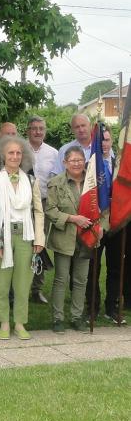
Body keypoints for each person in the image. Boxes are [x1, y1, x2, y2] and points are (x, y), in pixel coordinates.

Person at [0, 136, 45, 340]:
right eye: (11, 152)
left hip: (26, 236)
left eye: (19, 153)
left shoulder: (30, 180)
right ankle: (3, 323)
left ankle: (19, 323)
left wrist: (39, 239)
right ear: (2, 155)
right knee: (1, 283)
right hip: (2, 236)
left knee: (23, 283)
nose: (15, 156)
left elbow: (38, 211)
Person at [46, 146, 107, 333]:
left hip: (86, 237)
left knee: (81, 280)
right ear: (65, 162)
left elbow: (103, 208)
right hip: (65, 236)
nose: (77, 164)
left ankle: (76, 317)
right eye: (72, 160)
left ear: (85, 162)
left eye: (80, 160)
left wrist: (102, 226)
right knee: (61, 279)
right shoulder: (56, 183)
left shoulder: (93, 183)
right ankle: (57, 319)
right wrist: (72, 218)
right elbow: (50, 210)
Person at [85, 127, 122, 322]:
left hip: (116, 223)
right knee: (93, 266)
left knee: (115, 267)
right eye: (100, 141)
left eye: (107, 140)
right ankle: (92, 307)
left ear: (112, 141)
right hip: (96, 223)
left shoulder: (121, 165)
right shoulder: (89, 166)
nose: (104, 144)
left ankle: (112, 308)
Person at [27, 116, 58, 304]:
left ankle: (36, 289)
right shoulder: (20, 149)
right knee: (22, 245)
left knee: (40, 245)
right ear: (28, 130)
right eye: (34, 128)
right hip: (22, 204)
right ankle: (19, 286)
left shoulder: (53, 153)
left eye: (41, 128)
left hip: (44, 204)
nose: (38, 132)